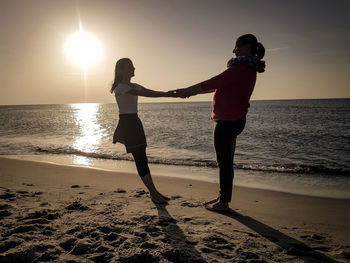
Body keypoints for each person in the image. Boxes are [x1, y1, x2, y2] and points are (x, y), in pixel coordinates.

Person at [170, 34, 266, 211]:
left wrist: (186, 90)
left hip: (227, 121)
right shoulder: (248, 68)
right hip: (235, 119)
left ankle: (224, 202)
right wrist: (191, 92)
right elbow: (217, 86)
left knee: (224, 162)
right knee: (226, 161)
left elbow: (214, 81)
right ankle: (223, 198)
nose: (234, 50)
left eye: (237, 46)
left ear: (247, 47)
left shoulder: (240, 69)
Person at [111, 58, 178, 204]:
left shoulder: (133, 85)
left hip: (135, 122)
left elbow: (150, 91)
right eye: (130, 66)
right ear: (121, 70)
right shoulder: (120, 87)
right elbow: (147, 95)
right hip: (128, 124)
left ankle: (154, 192)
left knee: (143, 158)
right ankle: (154, 193)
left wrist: (170, 93)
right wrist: (167, 95)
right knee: (140, 158)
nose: (134, 68)